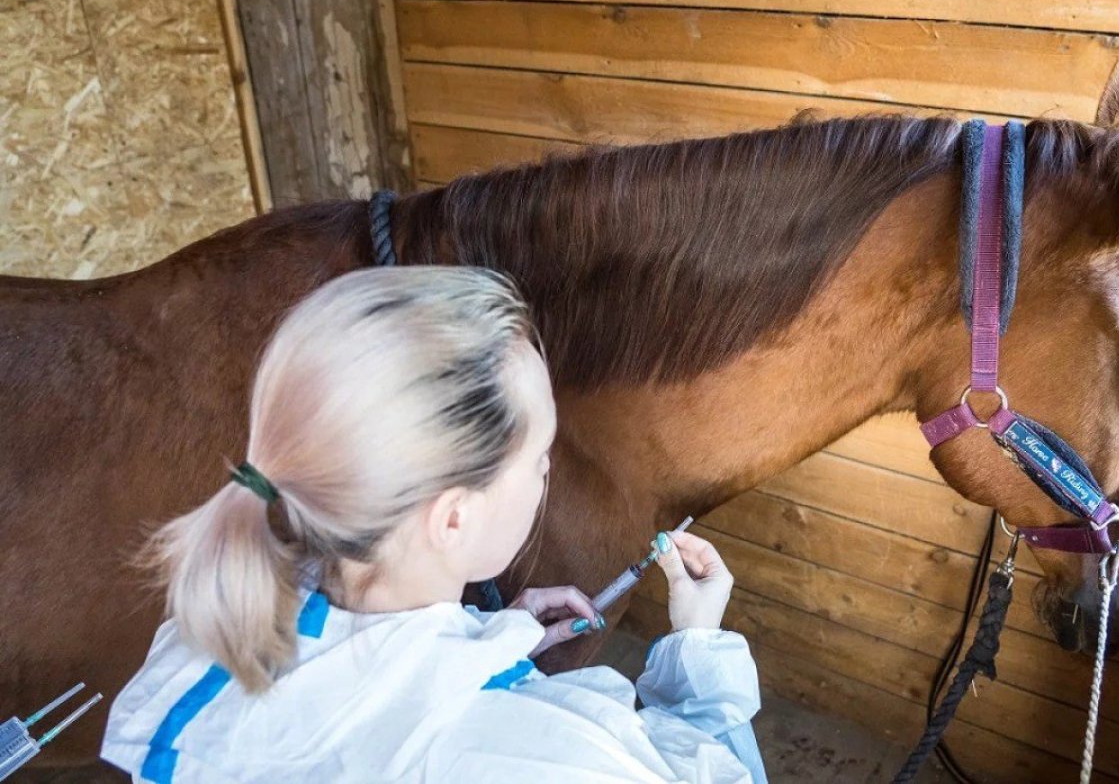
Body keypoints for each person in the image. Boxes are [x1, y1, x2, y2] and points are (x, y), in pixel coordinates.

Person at [100, 267, 764, 783]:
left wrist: (476, 646)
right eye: (538, 458)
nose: (544, 476)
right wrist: (699, 655)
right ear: (453, 518)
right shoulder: (548, 756)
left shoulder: (207, 638)